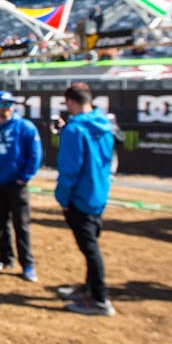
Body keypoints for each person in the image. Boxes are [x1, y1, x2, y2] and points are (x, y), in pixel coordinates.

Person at [55, 83, 116, 316]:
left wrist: (63, 198)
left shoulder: (75, 129)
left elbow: (70, 169)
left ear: (71, 101)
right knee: (92, 245)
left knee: (90, 249)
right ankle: (90, 288)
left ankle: (100, 299)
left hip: (80, 196)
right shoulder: (103, 124)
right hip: (98, 193)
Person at [0, 91, 43, 282]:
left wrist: (25, 177)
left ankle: (27, 264)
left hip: (16, 184)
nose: (7, 108)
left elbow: (35, 154)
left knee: (21, 225)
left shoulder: (25, 126)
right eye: (3, 104)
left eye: (10, 104)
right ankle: (5, 257)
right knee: (0, 222)